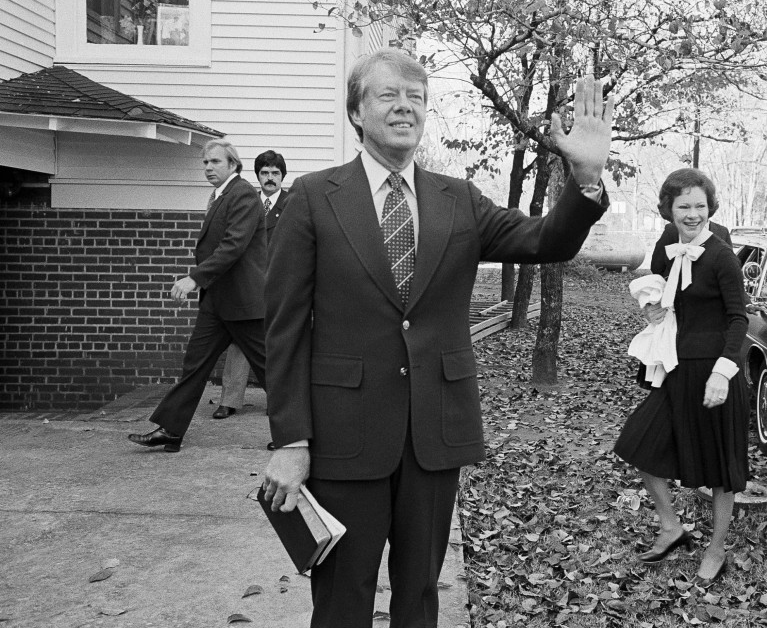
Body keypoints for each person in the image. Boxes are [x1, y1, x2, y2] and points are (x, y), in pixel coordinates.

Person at [259, 49, 613, 628]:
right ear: (356, 111)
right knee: (343, 596)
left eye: (416, 97)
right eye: (387, 95)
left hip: (433, 434)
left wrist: (586, 180)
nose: (405, 107)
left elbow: (544, 239)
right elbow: (285, 331)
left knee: (421, 593)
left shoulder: (459, 199)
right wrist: (291, 439)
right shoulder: (312, 197)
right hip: (345, 436)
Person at [614, 168, 749, 583]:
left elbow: (739, 320)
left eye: (700, 206)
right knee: (637, 443)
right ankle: (671, 527)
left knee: (720, 468)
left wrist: (722, 374)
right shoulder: (666, 245)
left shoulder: (722, 254)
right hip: (676, 369)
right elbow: (657, 290)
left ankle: (716, 548)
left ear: (711, 208)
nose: (693, 214)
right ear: (669, 211)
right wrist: (651, 308)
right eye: (683, 206)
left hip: (714, 374)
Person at [127, 139, 268, 452]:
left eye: (215, 162)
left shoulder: (242, 193)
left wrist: (194, 278)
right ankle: (171, 430)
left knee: (271, 370)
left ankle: (300, 435)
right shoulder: (220, 195)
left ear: (233, 164)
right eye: (205, 163)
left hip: (244, 303)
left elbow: (233, 246)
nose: (208, 168)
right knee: (194, 365)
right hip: (218, 302)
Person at [214, 150, 289, 420]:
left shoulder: (293, 203)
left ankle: (278, 401)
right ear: (257, 176)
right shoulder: (246, 202)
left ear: (282, 176)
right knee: (240, 341)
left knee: (279, 342)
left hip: (281, 285)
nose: (270, 178)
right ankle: (230, 400)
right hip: (249, 284)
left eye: (275, 173)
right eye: (265, 173)